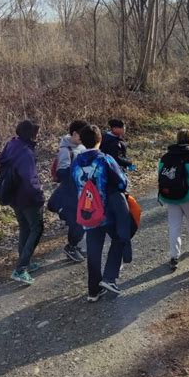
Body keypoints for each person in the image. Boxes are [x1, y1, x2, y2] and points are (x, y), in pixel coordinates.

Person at [71, 124, 129, 302]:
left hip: (87, 212)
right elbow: (121, 183)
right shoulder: (105, 159)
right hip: (107, 212)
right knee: (119, 239)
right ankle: (109, 278)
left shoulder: (76, 162)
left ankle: (93, 291)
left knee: (94, 250)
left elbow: (74, 185)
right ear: (100, 139)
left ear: (82, 139)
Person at [0, 120, 44, 285]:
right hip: (28, 198)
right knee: (37, 228)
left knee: (25, 227)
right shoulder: (26, 152)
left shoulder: (12, 144)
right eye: (35, 132)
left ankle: (26, 262)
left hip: (13, 195)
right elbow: (29, 179)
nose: (37, 135)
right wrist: (39, 196)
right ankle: (21, 269)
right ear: (29, 134)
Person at [158, 129, 189, 271]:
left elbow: (161, 177)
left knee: (174, 226)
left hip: (170, 197)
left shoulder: (165, 158)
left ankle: (174, 256)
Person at [47, 119, 88, 263]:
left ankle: (74, 246)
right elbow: (61, 173)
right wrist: (78, 170)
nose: (84, 138)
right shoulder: (65, 150)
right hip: (70, 194)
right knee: (77, 223)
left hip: (80, 192)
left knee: (83, 221)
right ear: (75, 133)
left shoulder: (81, 147)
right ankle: (71, 247)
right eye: (82, 135)